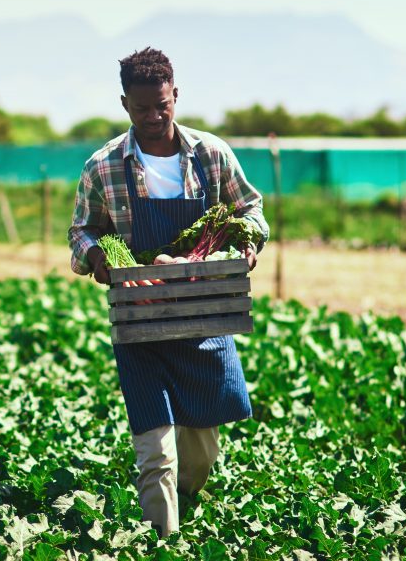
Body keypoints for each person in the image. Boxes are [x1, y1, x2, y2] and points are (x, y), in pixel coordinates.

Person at [67, 47, 269, 535]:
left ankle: (187, 502)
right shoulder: (104, 166)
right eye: (142, 109)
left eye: (163, 105)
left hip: (204, 319)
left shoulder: (211, 155)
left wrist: (247, 245)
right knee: (155, 452)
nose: (155, 117)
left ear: (175, 95)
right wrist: (98, 258)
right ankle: (164, 541)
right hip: (141, 322)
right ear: (124, 105)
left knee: (200, 454)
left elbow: (252, 211)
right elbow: (81, 231)